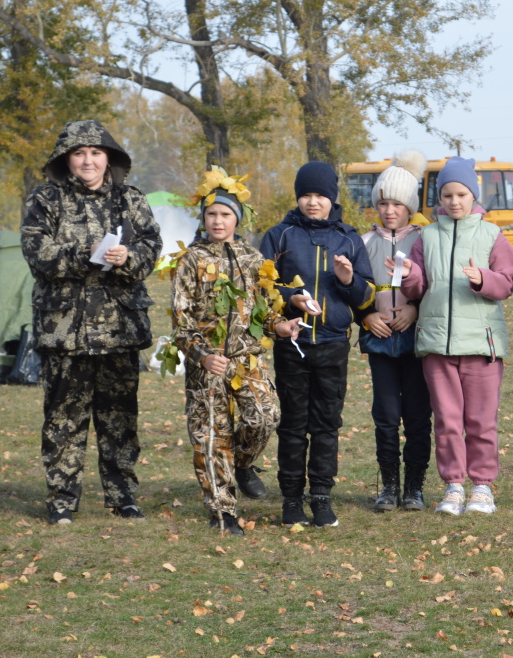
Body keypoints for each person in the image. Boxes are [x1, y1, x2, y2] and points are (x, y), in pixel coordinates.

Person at [21, 120, 163, 525]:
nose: (88, 160)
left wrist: (128, 258)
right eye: (79, 153)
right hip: (66, 329)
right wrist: (87, 252)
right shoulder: (46, 200)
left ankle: (123, 495)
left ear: (109, 158)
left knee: (120, 419)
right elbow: (37, 252)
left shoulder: (130, 200)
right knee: (64, 419)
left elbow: (151, 245)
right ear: (66, 158)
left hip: (118, 328)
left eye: (96, 153)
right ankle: (62, 499)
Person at [170, 170, 300, 534]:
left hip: (247, 360)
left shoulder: (252, 258)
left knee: (266, 417)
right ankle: (223, 512)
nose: (218, 220)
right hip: (209, 365)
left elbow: (265, 311)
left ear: (237, 219)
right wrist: (202, 356)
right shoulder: (191, 261)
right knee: (212, 436)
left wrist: (281, 325)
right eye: (212, 214)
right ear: (204, 218)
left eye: (226, 214)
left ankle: (242, 464)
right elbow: (181, 323)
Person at [396, 157, 513, 516]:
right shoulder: (427, 236)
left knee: (481, 421)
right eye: (447, 195)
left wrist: (483, 279)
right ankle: (453, 485)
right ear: (439, 197)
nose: (454, 201)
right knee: (447, 421)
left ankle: (482, 487)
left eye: (461, 194)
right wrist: (408, 274)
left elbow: (508, 281)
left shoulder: (492, 235)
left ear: (473, 195)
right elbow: (420, 288)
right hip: (437, 345)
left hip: (482, 346)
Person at [259, 162, 376, 529]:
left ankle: (322, 497)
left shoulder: (349, 239)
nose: (313, 202)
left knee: (326, 424)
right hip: (292, 344)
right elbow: (262, 285)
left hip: (332, 345)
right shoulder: (280, 236)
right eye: (306, 195)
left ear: (332, 198)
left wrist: (348, 279)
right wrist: (291, 297)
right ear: (298, 197)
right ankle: (292, 499)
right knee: (293, 425)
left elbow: (366, 298)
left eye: (320, 196)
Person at [358, 151, 432, 512]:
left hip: (417, 340)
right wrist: (365, 317)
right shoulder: (363, 242)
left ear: (409, 206)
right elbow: (353, 288)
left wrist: (415, 310)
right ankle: (389, 484)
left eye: (398, 204)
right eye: (384, 203)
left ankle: (414, 487)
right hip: (381, 340)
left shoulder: (425, 240)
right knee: (386, 415)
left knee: (418, 414)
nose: (390, 210)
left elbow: (435, 285)